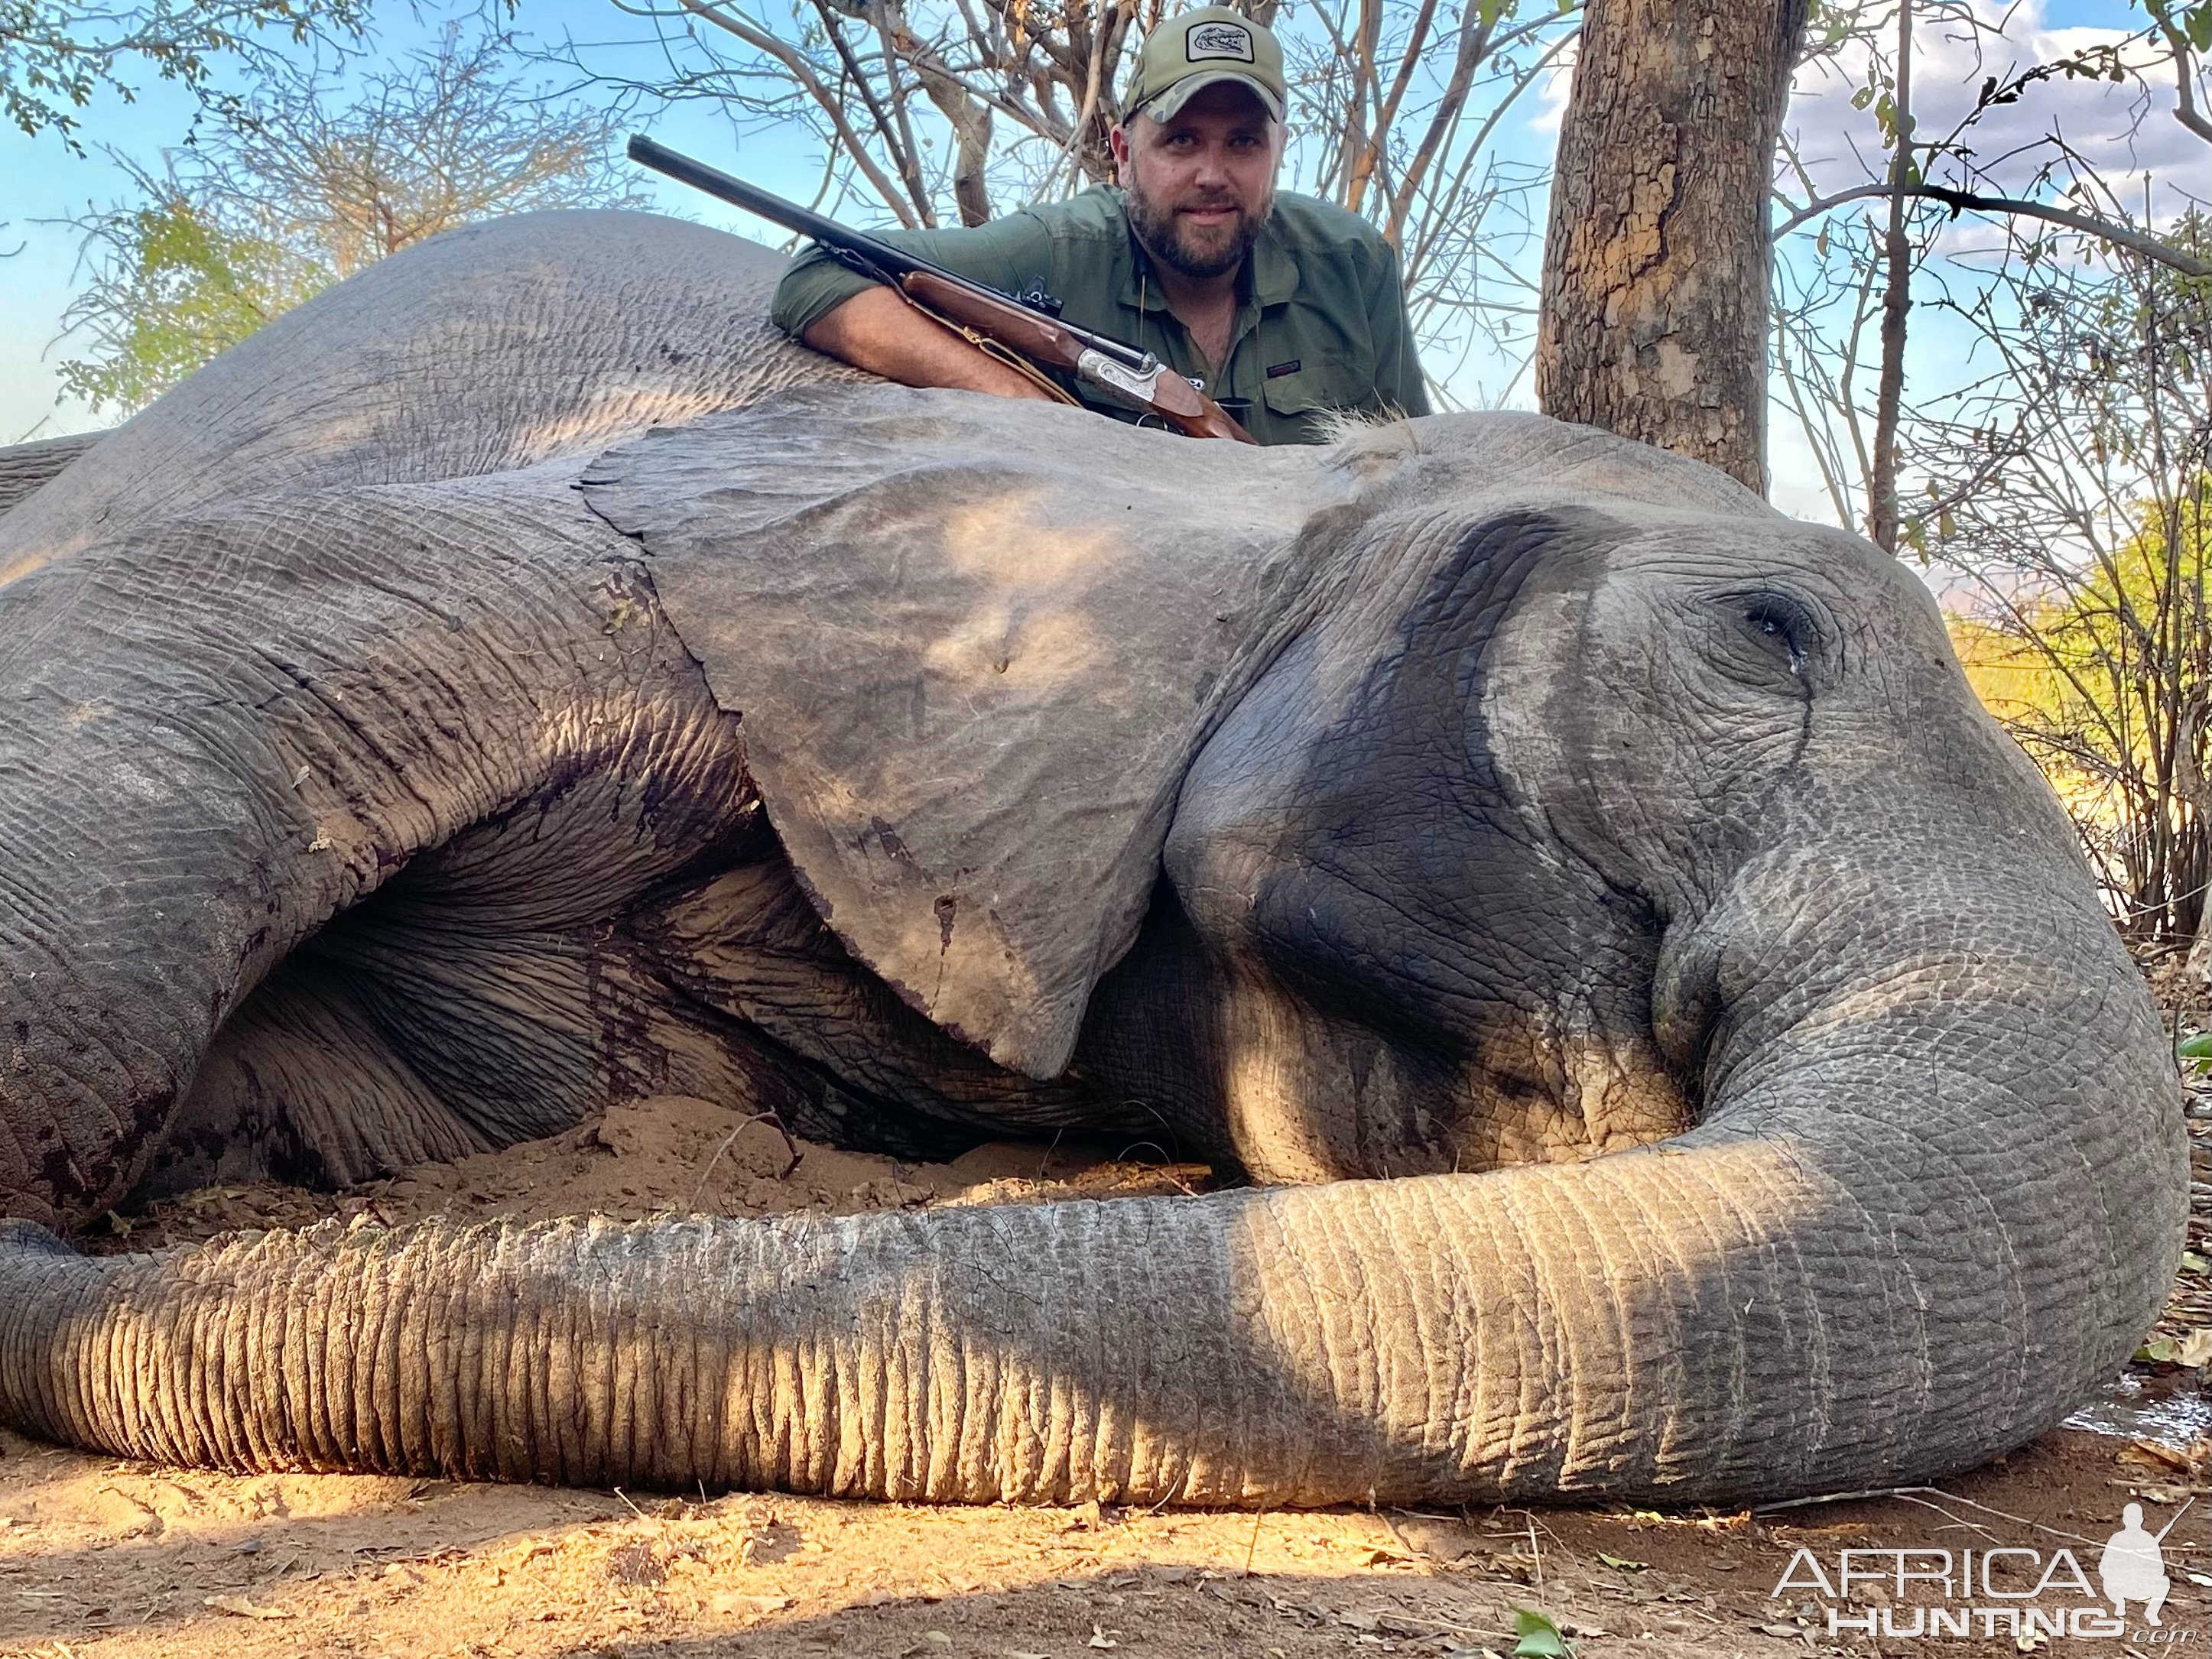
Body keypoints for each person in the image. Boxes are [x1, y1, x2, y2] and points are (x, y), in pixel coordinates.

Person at [769, 5, 1430, 445]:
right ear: (1121, 154)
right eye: (1180, 141)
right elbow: (819, 277)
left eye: (1243, 143)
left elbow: (1417, 472)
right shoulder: (1054, 249)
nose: (1211, 173)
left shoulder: (1354, 263)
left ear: (1276, 154)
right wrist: (1026, 406)